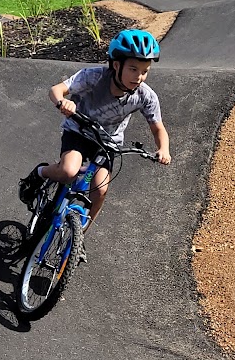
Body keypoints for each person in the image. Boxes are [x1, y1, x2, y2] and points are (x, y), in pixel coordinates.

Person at [18, 29, 171, 254]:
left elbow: (158, 128)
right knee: (69, 172)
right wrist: (63, 102)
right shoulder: (93, 77)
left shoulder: (145, 95)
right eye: (133, 68)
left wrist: (163, 149)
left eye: (145, 71)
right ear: (116, 65)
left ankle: (77, 240)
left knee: (100, 190)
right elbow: (56, 90)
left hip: (108, 144)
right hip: (78, 132)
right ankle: (40, 173)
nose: (138, 76)